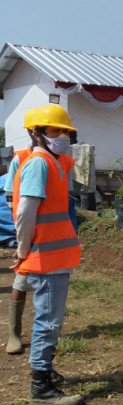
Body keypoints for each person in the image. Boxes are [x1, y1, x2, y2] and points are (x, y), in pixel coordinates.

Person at [11, 104, 84, 405]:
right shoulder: (40, 163)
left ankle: (45, 371)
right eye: (55, 131)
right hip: (45, 258)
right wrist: (23, 249)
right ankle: (40, 386)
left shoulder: (52, 161)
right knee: (48, 322)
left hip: (52, 257)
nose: (62, 136)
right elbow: (26, 211)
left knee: (49, 320)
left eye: (65, 131)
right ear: (36, 133)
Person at [4, 107, 37, 355]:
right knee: (21, 281)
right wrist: (21, 234)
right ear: (34, 132)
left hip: (52, 238)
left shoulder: (60, 161)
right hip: (29, 233)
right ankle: (14, 334)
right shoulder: (21, 158)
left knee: (49, 288)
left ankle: (44, 333)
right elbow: (11, 199)